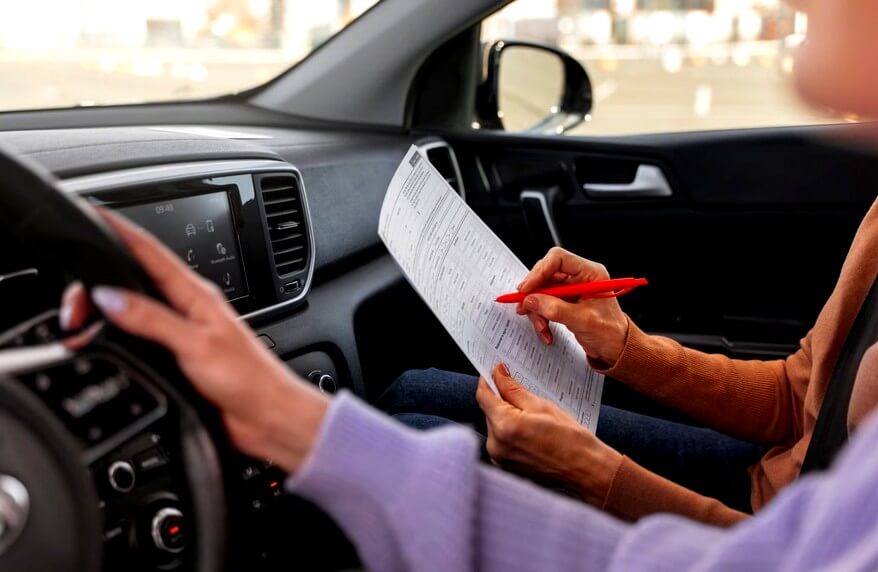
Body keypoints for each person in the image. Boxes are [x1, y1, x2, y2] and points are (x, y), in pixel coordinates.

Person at [60, 0, 878, 567]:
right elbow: (795, 394)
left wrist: (593, 473)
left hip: (771, 519)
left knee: (409, 430)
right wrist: (622, 345)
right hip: (788, 480)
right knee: (417, 390)